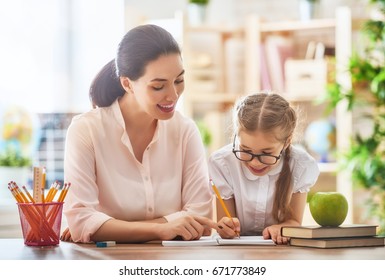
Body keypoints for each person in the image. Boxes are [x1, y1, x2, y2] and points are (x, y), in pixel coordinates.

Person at [61, 24, 218, 243]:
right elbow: (81, 221)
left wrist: (107, 226)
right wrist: (162, 228)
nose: (173, 95)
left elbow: (200, 217)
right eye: (158, 86)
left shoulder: (185, 131)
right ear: (127, 84)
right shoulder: (86, 131)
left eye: (179, 81)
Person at [208, 92, 320, 244]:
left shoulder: (301, 166)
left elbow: (294, 222)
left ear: (287, 142)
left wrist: (282, 228)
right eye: (245, 150)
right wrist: (226, 228)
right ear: (236, 136)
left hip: (280, 253)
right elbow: (224, 224)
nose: (255, 163)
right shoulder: (223, 163)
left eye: (266, 153)